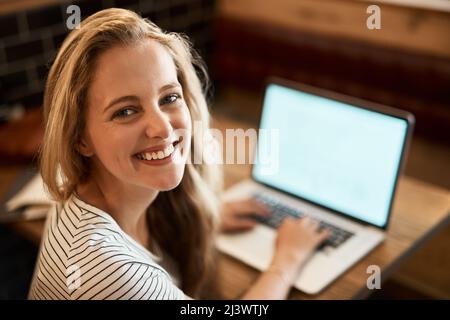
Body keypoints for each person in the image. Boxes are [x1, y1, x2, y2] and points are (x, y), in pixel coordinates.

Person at [28, 8, 329, 300]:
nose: (162, 127)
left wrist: (208, 216)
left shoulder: (92, 195)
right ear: (80, 138)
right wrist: (286, 263)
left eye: (169, 97)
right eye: (126, 111)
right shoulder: (110, 273)